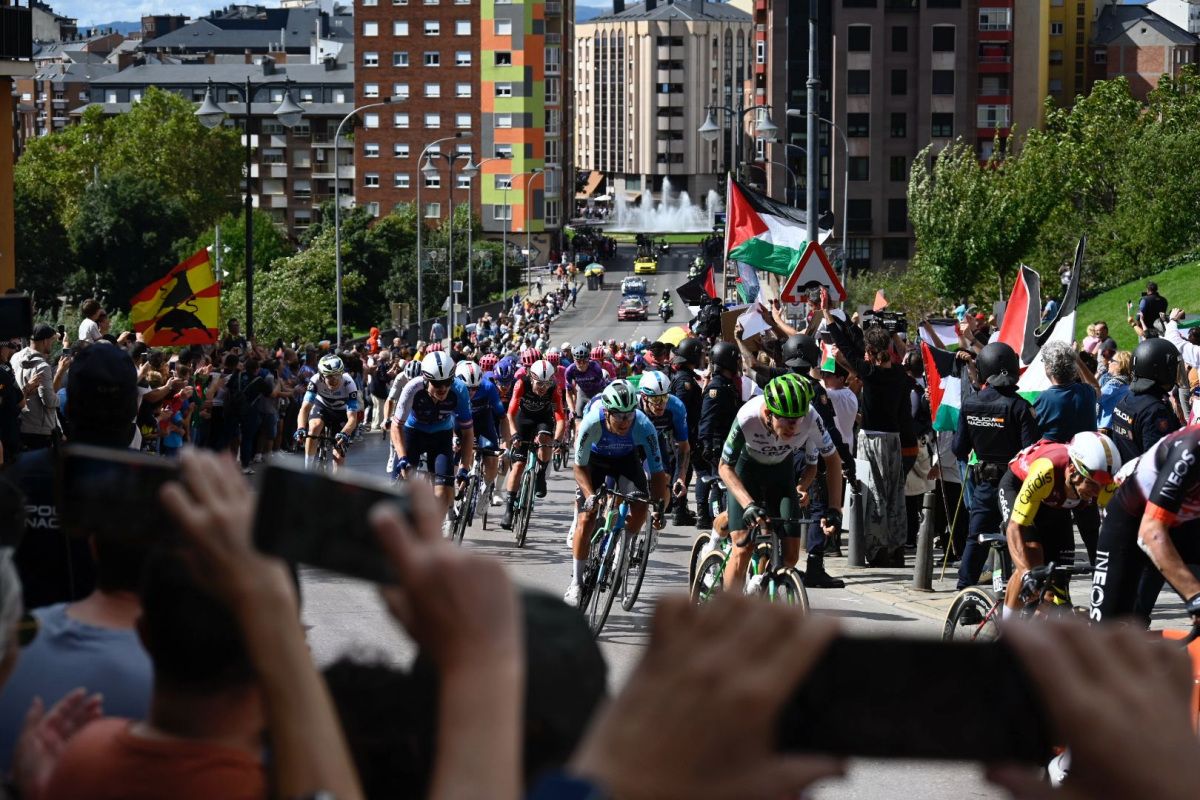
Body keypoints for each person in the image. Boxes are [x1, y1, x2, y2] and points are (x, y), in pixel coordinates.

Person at [718, 374, 843, 591]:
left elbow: (832, 460)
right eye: (786, 420)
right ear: (768, 413)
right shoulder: (748, 417)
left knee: (791, 556)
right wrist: (748, 504)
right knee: (742, 549)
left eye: (798, 420)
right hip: (746, 471)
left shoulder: (812, 417)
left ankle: (762, 586)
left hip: (780, 473)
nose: (793, 427)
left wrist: (834, 509)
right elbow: (724, 467)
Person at [824, 308, 915, 567]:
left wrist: (830, 320)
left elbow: (847, 348)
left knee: (872, 494)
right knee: (895, 494)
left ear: (871, 353)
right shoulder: (899, 374)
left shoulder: (870, 374)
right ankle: (896, 548)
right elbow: (854, 346)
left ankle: (877, 551)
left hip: (872, 440)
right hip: (895, 441)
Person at [567, 381, 667, 606]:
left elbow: (658, 473)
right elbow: (579, 467)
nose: (625, 422)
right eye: (619, 416)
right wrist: (590, 495)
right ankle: (576, 583)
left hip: (626, 461)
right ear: (607, 412)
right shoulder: (592, 421)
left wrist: (660, 507)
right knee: (587, 517)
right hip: (595, 462)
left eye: (629, 416)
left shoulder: (643, 425)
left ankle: (625, 546)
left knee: (641, 503)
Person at [998, 432, 1121, 615]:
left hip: (1056, 503)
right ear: (1073, 470)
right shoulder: (1045, 470)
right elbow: (1015, 527)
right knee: (1033, 560)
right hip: (1018, 487)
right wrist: (1026, 574)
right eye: (1093, 485)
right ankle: (1006, 632)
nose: (1098, 493)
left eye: (1103, 487)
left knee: (1057, 585)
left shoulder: (1104, 484)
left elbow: (1119, 529)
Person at [952, 342, 1042, 591]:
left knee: (976, 538)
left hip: (984, 484)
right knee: (1022, 537)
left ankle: (964, 593)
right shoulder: (1020, 406)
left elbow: (959, 449)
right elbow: (1030, 452)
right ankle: (1026, 590)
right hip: (1014, 485)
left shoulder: (970, 404)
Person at [392, 351, 475, 528]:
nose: (443, 388)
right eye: (437, 383)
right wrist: (402, 458)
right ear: (426, 379)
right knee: (402, 482)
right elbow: (396, 425)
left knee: (443, 491)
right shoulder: (412, 388)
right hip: (413, 432)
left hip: (441, 435)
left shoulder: (460, 390)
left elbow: (468, 432)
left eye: (447, 382)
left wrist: (464, 468)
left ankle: (432, 532)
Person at [501, 359, 565, 530]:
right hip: (523, 420)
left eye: (546, 384)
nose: (543, 388)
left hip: (543, 420)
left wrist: (558, 440)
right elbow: (510, 414)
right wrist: (514, 434)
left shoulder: (553, 388)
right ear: (531, 377)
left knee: (545, 439)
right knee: (519, 465)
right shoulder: (522, 383)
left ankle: (541, 474)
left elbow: (560, 418)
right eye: (539, 384)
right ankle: (508, 509)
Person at [1111, 337, 1182, 463]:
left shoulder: (1126, 400)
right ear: (1160, 371)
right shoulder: (1155, 411)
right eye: (1173, 368)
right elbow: (1159, 462)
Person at [636, 371, 690, 531]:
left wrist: (681, 477)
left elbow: (684, 445)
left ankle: (657, 516)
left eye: (664, 398)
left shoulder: (676, 407)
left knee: (664, 477)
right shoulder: (633, 405)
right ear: (644, 397)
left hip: (654, 441)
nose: (661, 404)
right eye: (655, 399)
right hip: (630, 442)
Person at [697, 342, 742, 530]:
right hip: (719, 444)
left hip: (729, 442)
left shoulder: (727, 385)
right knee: (721, 486)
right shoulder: (716, 388)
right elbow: (706, 420)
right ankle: (718, 525)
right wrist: (707, 446)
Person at [456, 360, 508, 508]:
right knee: (459, 456)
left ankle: (486, 489)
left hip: (483, 425)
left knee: (491, 460)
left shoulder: (488, 387)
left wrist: (505, 442)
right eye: (468, 388)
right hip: (460, 425)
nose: (471, 392)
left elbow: (502, 417)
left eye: (475, 388)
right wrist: (453, 438)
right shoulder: (453, 388)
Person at [294, 355, 359, 471]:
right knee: (314, 427)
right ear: (322, 375)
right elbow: (304, 409)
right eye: (329, 376)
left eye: (337, 375)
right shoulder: (315, 380)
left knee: (338, 454)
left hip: (341, 412)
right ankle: (307, 468)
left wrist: (344, 433)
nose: (334, 379)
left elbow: (353, 419)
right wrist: (300, 428)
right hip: (322, 406)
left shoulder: (349, 384)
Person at [10, 324, 64, 453]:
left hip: (21, 425)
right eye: (51, 340)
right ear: (45, 341)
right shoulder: (42, 366)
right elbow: (49, 401)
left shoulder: (15, 358)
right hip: (39, 431)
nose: (52, 344)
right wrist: (61, 399)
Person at [670, 337, 706, 527]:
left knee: (686, 470)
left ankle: (680, 508)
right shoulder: (685, 382)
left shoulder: (687, 377)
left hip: (687, 433)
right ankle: (678, 510)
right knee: (682, 470)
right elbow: (680, 409)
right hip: (683, 434)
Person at [0, 339, 22, 466]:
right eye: (10, 346)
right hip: (7, 439)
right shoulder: (4, 374)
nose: (11, 351)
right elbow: (21, 403)